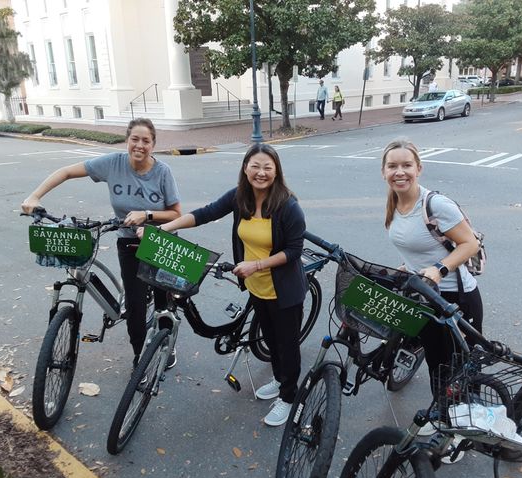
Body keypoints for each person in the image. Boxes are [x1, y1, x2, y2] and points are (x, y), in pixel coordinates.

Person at [144, 143, 307, 427]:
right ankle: (280, 380)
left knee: (287, 346)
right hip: (256, 288)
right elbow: (205, 213)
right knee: (270, 340)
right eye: (255, 166)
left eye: (268, 167)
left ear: (277, 171)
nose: (261, 172)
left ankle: (290, 397)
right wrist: (165, 228)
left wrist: (256, 265)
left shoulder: (287, 206)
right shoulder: (240, 198)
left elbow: (294, 250)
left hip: (284, 291)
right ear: (245, 168)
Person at [21, 118, 182, 371]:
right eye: (135, 139)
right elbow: (65, 172)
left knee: (162, 300)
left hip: (158, 239)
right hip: (128, 241)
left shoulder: (162, 172)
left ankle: (166, 345)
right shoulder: (113, 163)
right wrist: (35, 195)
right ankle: (141, 358)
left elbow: (176, 214)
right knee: (136, 308)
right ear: (128, 140)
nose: (139, 145)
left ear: (153, 144)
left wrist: (147, 214)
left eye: (146, 141)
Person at [380, 139, 483, 447]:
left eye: (406, 165)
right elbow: (417, 246)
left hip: (454, 299)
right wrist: (407, 267)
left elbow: (470, 244)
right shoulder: (395, 203)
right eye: (392, 166)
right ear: (383, 171)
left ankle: (462, 434)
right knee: (438, 364)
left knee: (460, 370)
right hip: (424, 296)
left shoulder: (436, 205)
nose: (400, 172)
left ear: (419, 168)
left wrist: (438, 270)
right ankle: (445, 418)